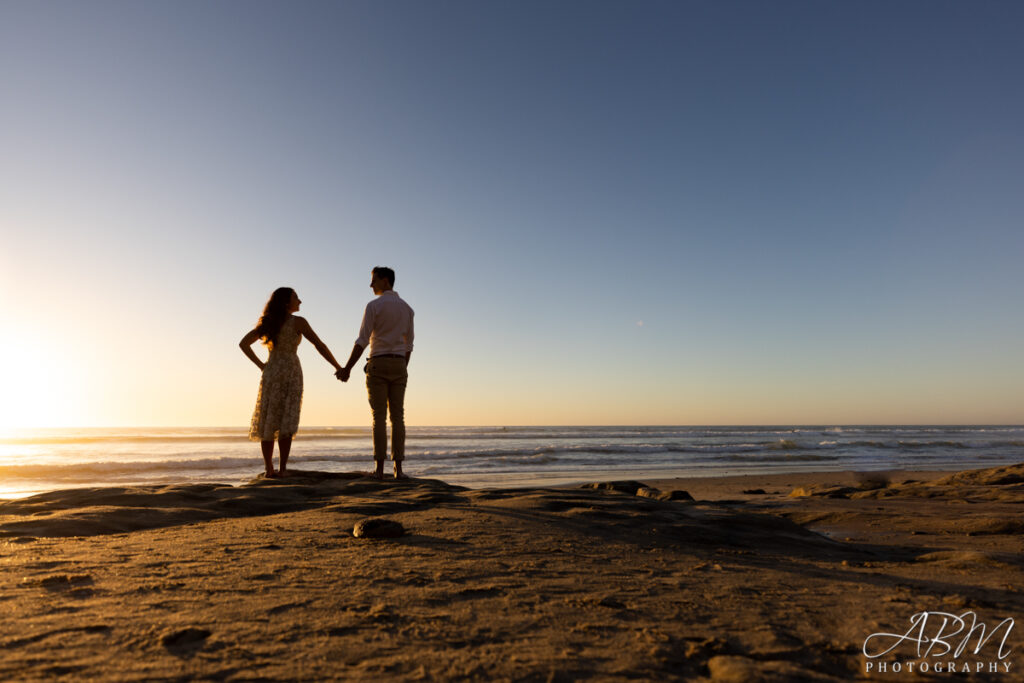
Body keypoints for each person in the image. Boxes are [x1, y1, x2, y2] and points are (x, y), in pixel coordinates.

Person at [240, 287, 343, 478]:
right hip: (290, 372)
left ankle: (269, 469)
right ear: (286, 302)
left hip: (272, 371)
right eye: (296, 298)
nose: (300, 301)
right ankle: (282, 469)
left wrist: (262, 365)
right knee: (286, 420)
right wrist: (338, 366)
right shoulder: (298, 322)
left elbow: (243, 344)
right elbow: (320, 345)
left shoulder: (269, 322)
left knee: (269, 419)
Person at [336, 267, 414, 480]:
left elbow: (362, 340)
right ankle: (398, 469)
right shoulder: (407, 308)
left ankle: (379, 470)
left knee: (379, 417)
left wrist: (348, 368)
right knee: (398, 417)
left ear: (385, 281)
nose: (371, 285)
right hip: (399, 363)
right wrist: (402, 367)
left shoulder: (374, 306)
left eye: (374, 280)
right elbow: (409, 345)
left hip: (378, 362)